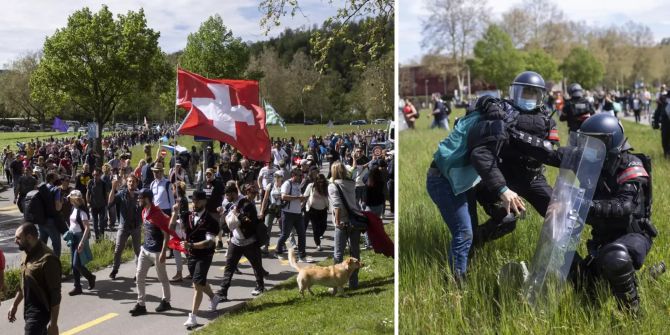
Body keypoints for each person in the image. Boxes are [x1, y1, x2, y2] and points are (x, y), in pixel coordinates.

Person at [553, 114, 656, 313]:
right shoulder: (591, 165)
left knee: (615, 257)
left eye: (594, 142)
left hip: (633, 235)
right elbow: (551, 154)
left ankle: (632, 313)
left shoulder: (632, 166)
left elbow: (623, 206)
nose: (588, 147)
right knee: (567, 261)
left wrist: (585, 204)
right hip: (601, 240)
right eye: (585, 141)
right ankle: (593, 303)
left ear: (610, 142)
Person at [469, 71, 558, 248]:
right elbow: (476, 104)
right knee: (507, 219)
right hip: (502, 176)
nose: (528, 97)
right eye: (525, 92)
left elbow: (552, 150)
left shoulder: (547, 121)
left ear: (540, 96)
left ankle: (568, 265)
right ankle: (473, 243)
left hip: (533, 178)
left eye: (533, 93)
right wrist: (488, 103)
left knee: (558, 214)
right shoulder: (502, 109)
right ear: (515, 92)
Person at [173, 190, 222, 328]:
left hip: (204, 255)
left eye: (197, 201)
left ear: (204, 201)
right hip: (191, 255)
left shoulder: (211, 221)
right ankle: (214, 297)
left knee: (196, 285)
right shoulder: (186, 215)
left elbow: (209, 242)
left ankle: (193, 317)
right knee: (199, 281)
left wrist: (191, 245)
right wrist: (174, 212)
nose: (194, 203)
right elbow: (171, 227)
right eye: (193, 200)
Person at [8, 222, 61, 335]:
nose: (15, 241)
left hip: (40, 315)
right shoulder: (26, 253)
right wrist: (15, 304)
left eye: (18, 238)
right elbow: (24, 283)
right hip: (28, 311)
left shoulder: (48, 259)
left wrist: (53, 324)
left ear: (29, 237)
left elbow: (55, 294)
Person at [215, 186, 266, 302]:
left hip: (250, 242)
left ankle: (260, 287)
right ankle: (223, 292)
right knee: (229, 267)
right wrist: (223, 214)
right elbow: (226, 225)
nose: (227, 198)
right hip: (235, 242)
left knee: (256, 265)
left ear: (234, 193)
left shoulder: (246, 204)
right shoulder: (229, 205)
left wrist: (238, 216)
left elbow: (251, 223)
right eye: (226, 196)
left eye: (228, 195)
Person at [128, 189, 172, 316]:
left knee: (162, 278)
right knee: (139, 276)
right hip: (145, 250)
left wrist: (164, 252)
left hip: (157, 252)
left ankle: (166, 301)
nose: (138, 200)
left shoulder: (157, 214)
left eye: (140, 198)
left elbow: (166, 234)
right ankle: (141, 304)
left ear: (147, 199)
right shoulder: (143, 211)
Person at [328, 161, 362, 289]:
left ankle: (336, 283)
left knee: (338, 254)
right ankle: (354, 283)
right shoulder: (351, 183)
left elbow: (337, 206)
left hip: (342, 222)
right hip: (355, 221)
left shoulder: (333, 186)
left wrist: (337, 222)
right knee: (355, 254)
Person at [107, 175, 142, 280]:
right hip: (124, 226)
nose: (131, 183)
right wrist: (113, 188)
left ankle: (138, 272)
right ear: (127, 183)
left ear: (136, 183)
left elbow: (148, 207)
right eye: (130, 181)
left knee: (137, 251)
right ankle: (115, 269)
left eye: (133, 182)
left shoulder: (140, 195)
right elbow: (110, 203)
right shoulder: (122, 194)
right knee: (118, 249)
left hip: (136, 227)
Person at [64, 190, 95, 296]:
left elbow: (87, 228)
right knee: (74, 265)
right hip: (73, 237)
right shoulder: (73, 208)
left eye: (70, 198)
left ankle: (90, 277)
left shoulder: (82, 212)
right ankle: (77, 287)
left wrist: (82, 242)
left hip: (79, 238)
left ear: (75, 199)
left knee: (76, 264)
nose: (68, 199)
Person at [274, 168, 308, 261]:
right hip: (287, 213)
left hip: (298, 213)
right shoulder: (287, 183)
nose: (301, 177)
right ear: (293, 175)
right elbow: (283, 196)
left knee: (302, 234)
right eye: (299, 175)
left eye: (301, 175)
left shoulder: (297, 184)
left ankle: (302, 255)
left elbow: (298, 197)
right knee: (285, 234)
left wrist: (302, 199)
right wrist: (297, 197)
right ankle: (278, 251)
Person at [259, 170, 284, 253]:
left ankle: (281, 245)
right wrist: (262, 211)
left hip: (281, 209)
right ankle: (266, 246)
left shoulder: (284, 186)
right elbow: (265, 199)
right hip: (271, 208)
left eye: (278, 177)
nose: (276, 178)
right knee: (267, 227)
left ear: (282, 178)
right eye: (275, 176)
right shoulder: (270, 185)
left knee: (283, 228)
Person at [304, 173, 330, 251]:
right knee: (315, 228)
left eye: (322, 182)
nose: (320, 183)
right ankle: (318, 244)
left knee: (324, 226)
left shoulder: (326, 187)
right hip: (312, 209)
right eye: (319, 182)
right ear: (316, 181)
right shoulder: (311, 186)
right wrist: (302, 205)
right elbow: (305, 195)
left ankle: (318, 235)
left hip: (323, 209)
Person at [86, 167, 109, 241]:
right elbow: (88, 193)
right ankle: (97, 238)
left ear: (100, 175)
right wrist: (88, 202)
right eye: (94, 175)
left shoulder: (103, 183)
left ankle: (101, 238)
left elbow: (106, 195)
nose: (95, 176)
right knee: (95, 224)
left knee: (101, 223)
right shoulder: (90, 182)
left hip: (102, 205)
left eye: (97, 175)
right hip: (93, 206)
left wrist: (107, 204)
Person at [652, 93, 670, 158]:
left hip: (665, 124)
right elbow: (658, 111)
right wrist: (656, 123)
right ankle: (666, 155)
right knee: (665, 141)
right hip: (665, 123)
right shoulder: (663, 98)